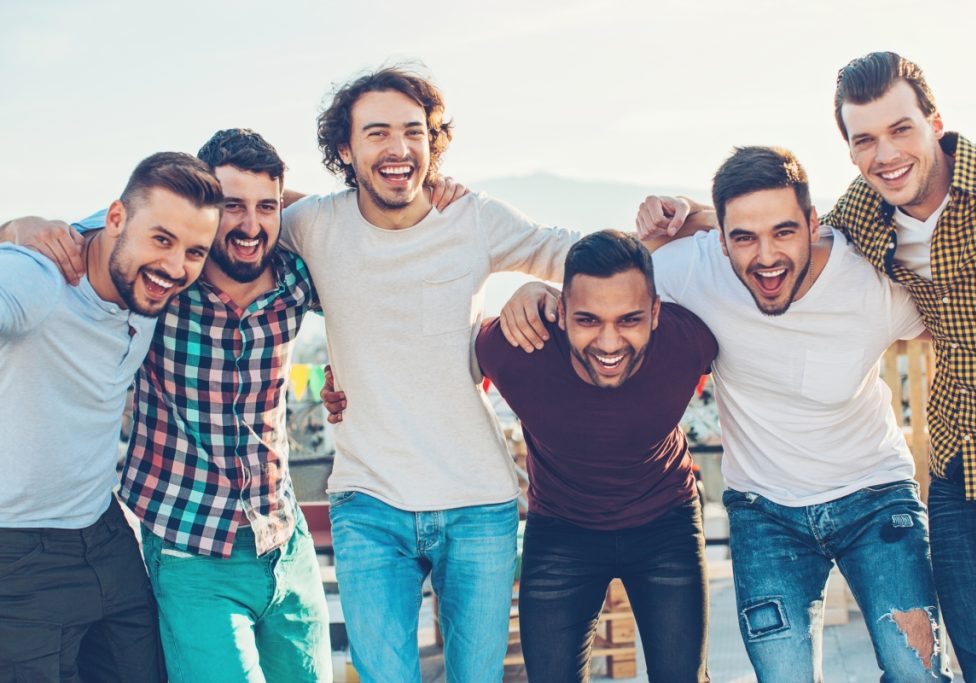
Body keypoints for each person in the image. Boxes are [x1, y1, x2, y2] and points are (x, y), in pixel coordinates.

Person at [4, 129, 469, 682]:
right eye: (231, 208)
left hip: (275, 539)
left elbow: (382, 278)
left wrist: (411, 198)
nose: (249, 226)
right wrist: (15, 228)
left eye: (265, 207)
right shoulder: (143, 281)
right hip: (182, 546)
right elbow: (127, 221)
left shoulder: (293, 277)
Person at [549, 147, 950, 680]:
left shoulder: (868, 285)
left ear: (813, 224)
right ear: (720, 238)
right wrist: (533, 293)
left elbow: (957, 324)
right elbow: (600, 287)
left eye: (784, 232)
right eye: (744, 237)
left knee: (916, 669)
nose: (766, 257)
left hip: (874, 497)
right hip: (766, 513)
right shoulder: (694, 268)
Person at [281, 66, 578, 682]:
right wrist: (39, 231)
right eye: (378, 133)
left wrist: (691, 226)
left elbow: (579, 256)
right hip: (368, 502)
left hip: (478, 502)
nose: (398, 148)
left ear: (432, 143)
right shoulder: (313, 224)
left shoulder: (471, 217)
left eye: (414, 132)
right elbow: (221, 216)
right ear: (345, 148)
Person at [826, 52, 976, 681]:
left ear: (935, 121)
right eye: (865, 140)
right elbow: (782, 240)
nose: (885, 154)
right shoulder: (862, 211)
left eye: (901, 129)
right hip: (965, 482)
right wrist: (689, 221)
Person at [0, 152, 222, 683]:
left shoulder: (147, 284)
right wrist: (9, 231)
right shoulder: (40, 273)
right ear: (115, 218)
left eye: (195, 251)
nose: (174, 268)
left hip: (105, 532)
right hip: (18, 551)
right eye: (161, 240)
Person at [475, 230, 715, 682]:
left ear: (656, 313)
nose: (608, 343)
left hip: (666, 522)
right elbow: (428, 362)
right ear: (560, 313)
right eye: (588, 320)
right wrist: (340, 380)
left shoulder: (690, 341)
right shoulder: (516, 349)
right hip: (562, 530)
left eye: (629, 320)